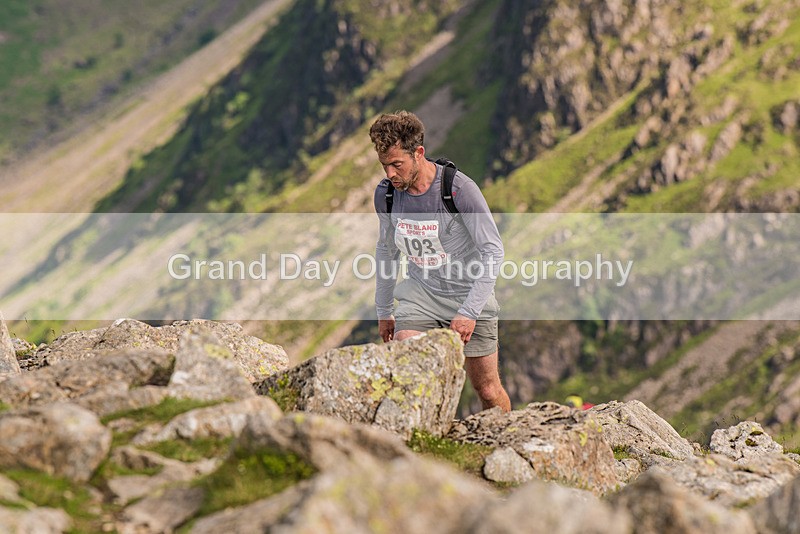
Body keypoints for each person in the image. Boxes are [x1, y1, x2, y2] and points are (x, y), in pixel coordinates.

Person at [369, 110, 511, 412]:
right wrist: (384, 311)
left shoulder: (458, 189)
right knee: (410, 365)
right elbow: (386, 251)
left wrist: (470, 312)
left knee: (487, 390)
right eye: (385, 166)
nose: (390, 174)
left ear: (418, 153)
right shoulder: (387, 196)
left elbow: (493, 250)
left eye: (397, 164)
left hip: (468, 294)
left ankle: (508, 445)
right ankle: (423, 449)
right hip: (420, 296)